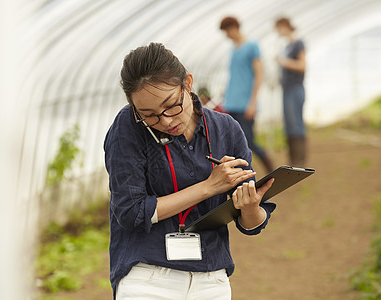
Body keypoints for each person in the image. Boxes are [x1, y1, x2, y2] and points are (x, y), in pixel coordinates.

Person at [104, 42, 276, 299]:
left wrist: (250, 207)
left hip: (211, 278)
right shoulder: (128, 126)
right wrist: (209, 187)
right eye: (149, 114)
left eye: (171, 105)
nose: (166, 120)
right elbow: (130, 212)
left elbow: (251, 225)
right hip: (148, 277)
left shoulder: (225, 129)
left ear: (188, 83)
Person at [219, 16, 275, 173]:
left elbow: (259, 74)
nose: (226, 36)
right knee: (232, 142)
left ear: (234, 28)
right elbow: (235, 76)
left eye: (227, 31)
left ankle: (270, 168)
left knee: (249, 141)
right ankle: (239, 175)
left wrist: (253, 103)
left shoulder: (252, 46)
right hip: (231, 103)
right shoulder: (233, 50)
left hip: (245, 104)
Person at [275, 17, 307, 167]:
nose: (277, 32)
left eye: (279, 28)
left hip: (295, 89)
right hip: (286, 89)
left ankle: (299, 160)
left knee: (296, 124)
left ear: (285, 26)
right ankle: (293, 160)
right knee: (289, 125)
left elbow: (302, 65)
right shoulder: (286, 47)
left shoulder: (298, 44)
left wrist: (283, 62)